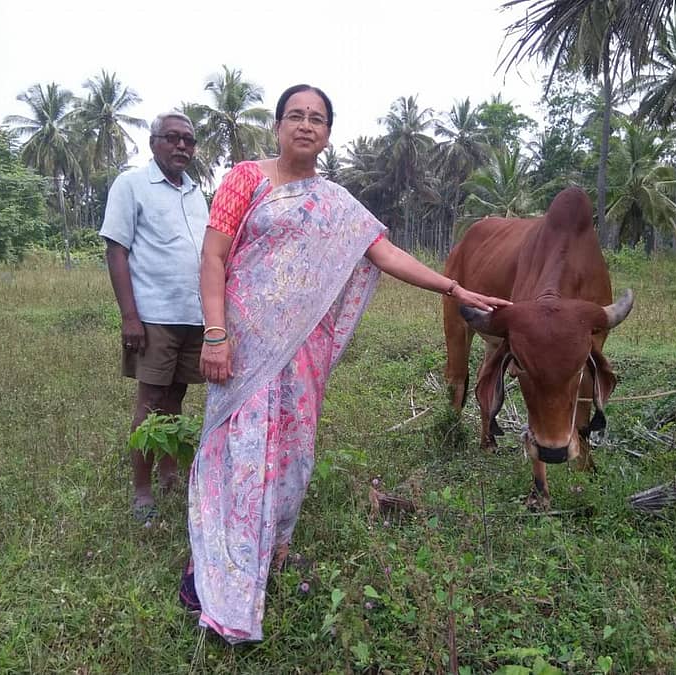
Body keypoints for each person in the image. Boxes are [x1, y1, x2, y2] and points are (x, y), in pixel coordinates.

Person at [183, 85, 509, 642]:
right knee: (234, 448)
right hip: (241, 345)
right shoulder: (245, 179)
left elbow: (385, 252)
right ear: (279, 126)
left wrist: (454, 286)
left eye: (317, 118)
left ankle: (275, 550)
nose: (305, 125)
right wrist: (215, 335)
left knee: (291, 447)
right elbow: (214, 257)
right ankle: (211, 563)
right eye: (295, 116)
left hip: (300, 351)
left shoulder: (334, 202)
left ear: (328, 134)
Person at [100, 112, 210, 523]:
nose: (182, 146)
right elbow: (116, 251)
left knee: (175, 399)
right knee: (149, 403)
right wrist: (130, 317)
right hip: (154, 316)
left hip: (193, 315)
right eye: (173, 138)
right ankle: (143, 492)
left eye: (189, 141)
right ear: (154, 143)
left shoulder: (196, 193)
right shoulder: (131, 185)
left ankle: (170, 474)